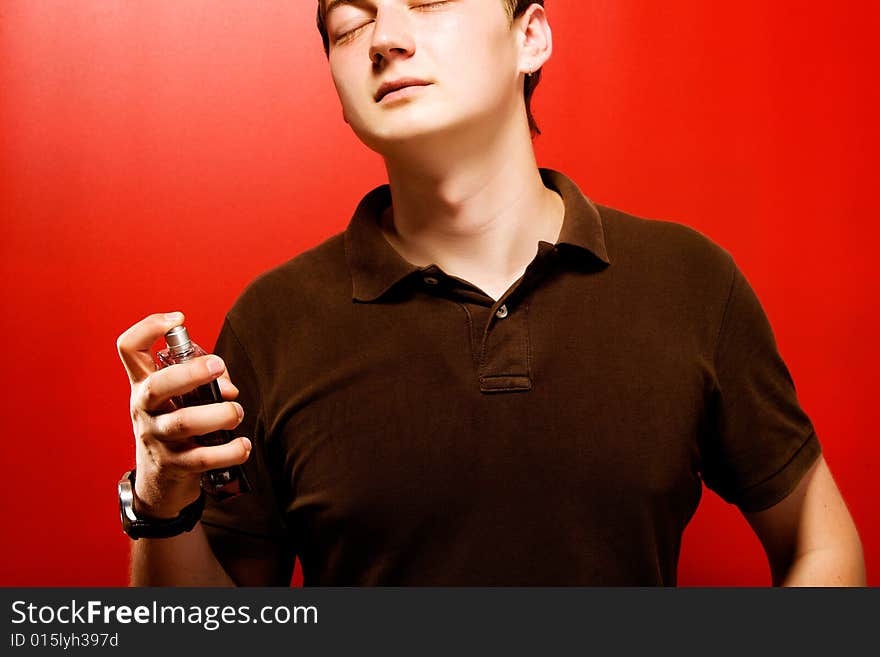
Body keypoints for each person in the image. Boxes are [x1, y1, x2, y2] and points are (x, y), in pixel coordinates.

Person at [115, 0, 865, 586]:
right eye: (349, 25)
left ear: (531, 37)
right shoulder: (273, 322)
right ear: (340, 94)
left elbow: (819, 539)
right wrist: (161, 498)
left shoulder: (690, 281)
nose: (386, 38)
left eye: (433, 2)